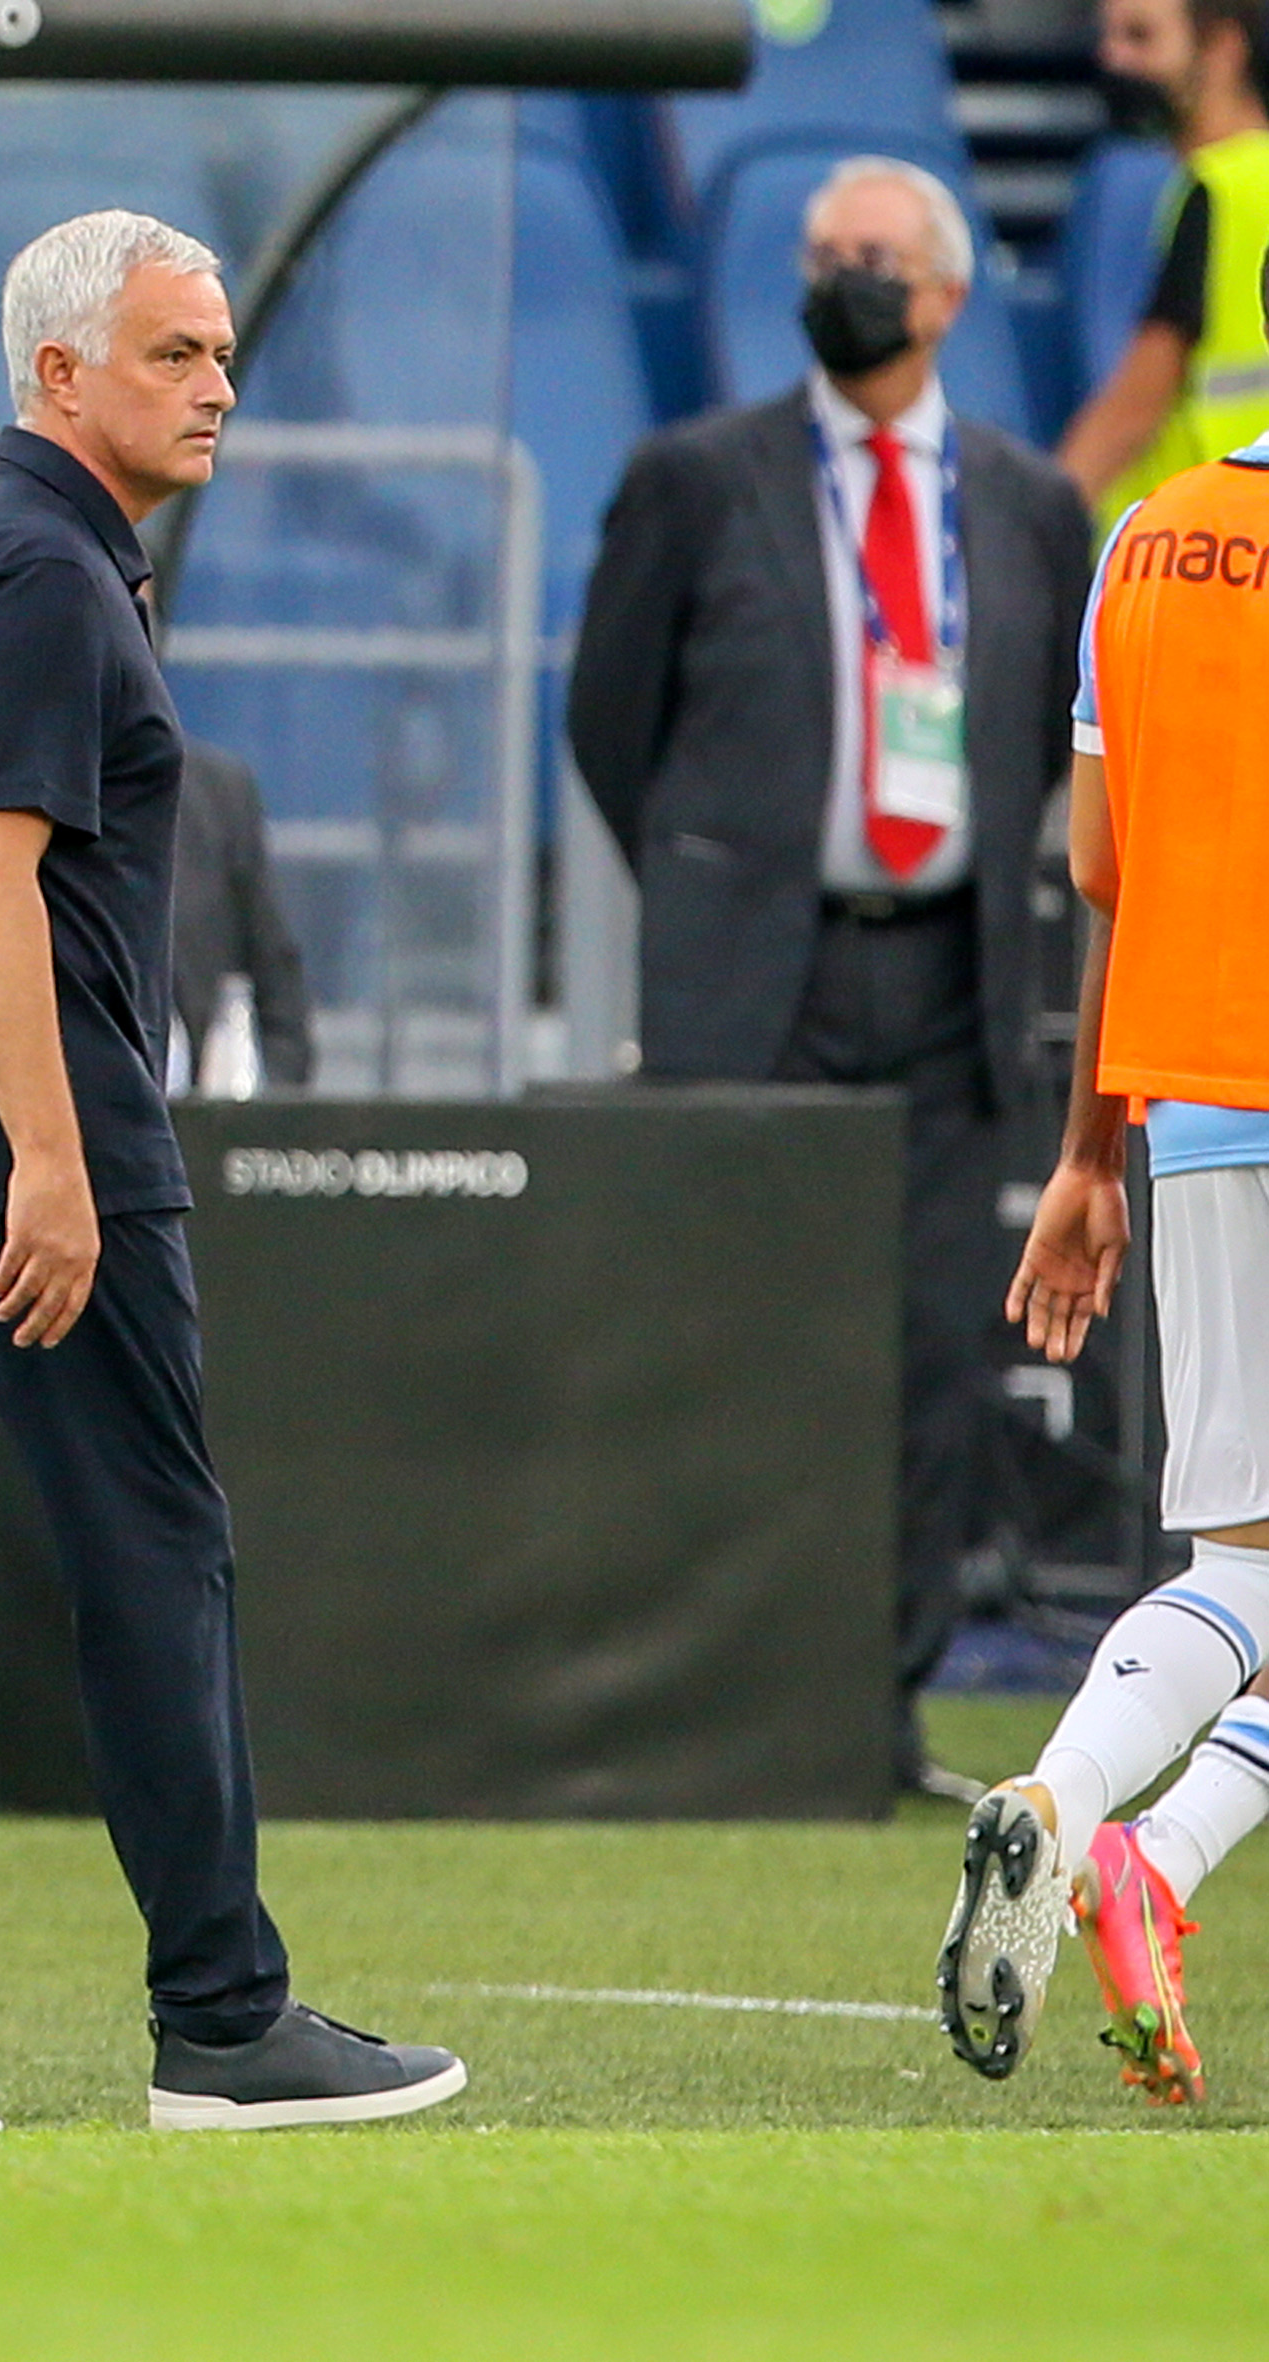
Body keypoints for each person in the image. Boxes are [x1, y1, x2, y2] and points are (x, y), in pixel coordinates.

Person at [0, 209, 463, 2135]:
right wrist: (52, 1162)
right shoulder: (47, 570)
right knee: (151, 1558)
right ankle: (222, 2021)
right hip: (16, 1158)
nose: (217, 382)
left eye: (221, 352)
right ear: (57, 372)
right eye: (173, 352)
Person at [568, 157, 1096, 1799]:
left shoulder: (1024, 504)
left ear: (943, 293)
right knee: (724, 1340)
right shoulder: (690, 475)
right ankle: (708, 1710)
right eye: (817, 256)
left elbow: (1048, 748)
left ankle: (871, 1716)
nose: (837, 279)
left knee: (931, 1351)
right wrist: (710, 877)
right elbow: (607, 720)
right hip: (756, 978)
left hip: (945, 981)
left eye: (869, 256)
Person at [941, 413, 1269, 2107]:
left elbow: (1098, 867)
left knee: (1243, 1562)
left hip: (1200, 1098)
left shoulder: (1142, 538)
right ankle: (1143, 1845)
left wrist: (1083, 1151)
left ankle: (1079, 1823)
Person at [1058, 0, 1269, 517]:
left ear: (1222, 49)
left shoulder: (1219, 189)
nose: (1113, 59)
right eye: (1108, 37)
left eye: (1140, 37)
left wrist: (1034, 525)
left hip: (1201, 542)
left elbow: (1135, 408)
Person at [168, 737, 311, 1095]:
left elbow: (274, 963)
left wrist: (268, 1109)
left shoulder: (218, 789)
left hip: (210, 1106)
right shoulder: (29, 799)